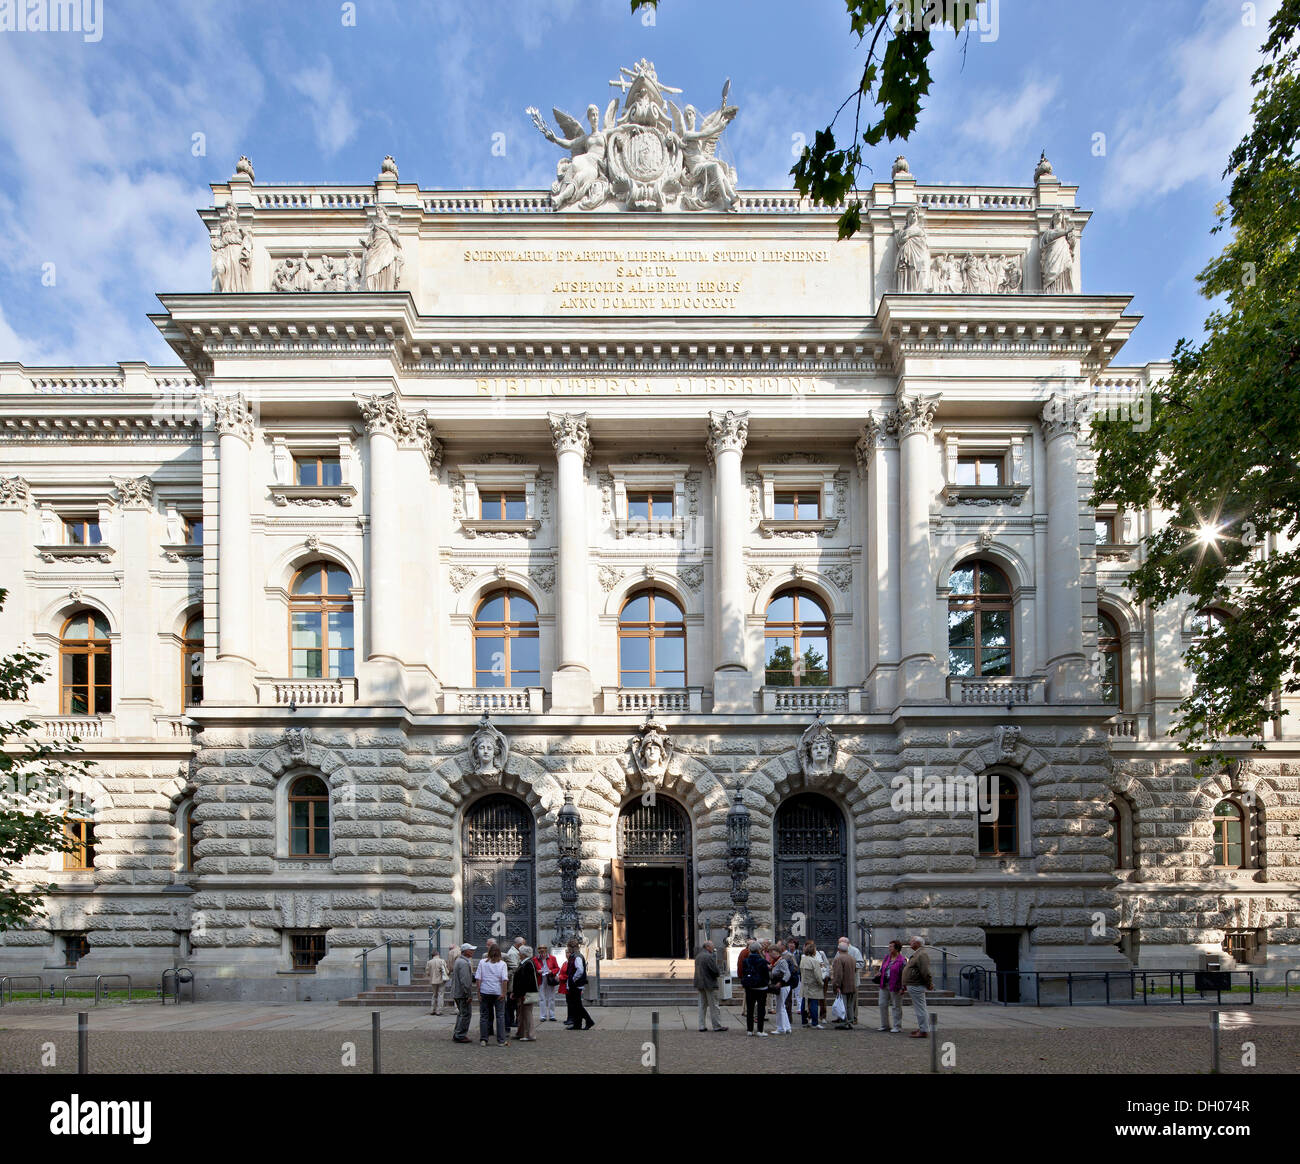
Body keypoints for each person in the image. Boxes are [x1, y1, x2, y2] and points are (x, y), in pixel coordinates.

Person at [475, 943, 509, 1046]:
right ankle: (501, 1040)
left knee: (484, 1016)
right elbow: (504, 980)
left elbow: (478, 979)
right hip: (497, 992)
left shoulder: (482, 962)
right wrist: (504, 992)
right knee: (500, 1016)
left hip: (485, 991)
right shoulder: (502, 964)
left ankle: (484, 1039)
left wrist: (478, 992)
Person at [902, 936, 933, 1038]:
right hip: (913, 984)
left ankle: (924, 1030)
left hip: (917, 984)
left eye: (912, 941)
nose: (910, 942)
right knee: (919, 1008)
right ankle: (922, 1027)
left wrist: (929, 983)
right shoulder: (918, 953)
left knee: (920, 1008)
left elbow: (925, 971)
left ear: (917, 943)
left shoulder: (921, 954)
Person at [694, 939, 726, 1032]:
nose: (713, 948)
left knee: (702, 1006)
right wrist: (718, 973)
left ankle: (701, 1025)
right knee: (714, 1006)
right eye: (712, 946)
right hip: (709, 984)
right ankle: (717, 1026)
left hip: (700, 983)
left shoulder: (698, 956)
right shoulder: (708, 956)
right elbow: (715, 971)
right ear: (707, 947)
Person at [740, 939, 770, 1037]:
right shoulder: (762, 961)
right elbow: (766, 974)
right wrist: (766, 983)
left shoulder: (746, 961)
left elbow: (744, 972)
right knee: (761, 1009)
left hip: (750, 987)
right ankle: (760, 1030)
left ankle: (749, 1029)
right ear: (758, 950)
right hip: (761, 987)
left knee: (750, 1009)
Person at [876, 940, 907, 1034]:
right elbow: (882, 969)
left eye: (891, 947)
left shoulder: (902, 960)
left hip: (896, 985)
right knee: (882, 1004)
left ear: (897, 948)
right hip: (884, 984)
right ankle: (884, 1025)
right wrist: (879, 973)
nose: (889, 948)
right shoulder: (886, 958)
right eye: (889, 946)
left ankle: (897, 1026)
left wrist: (903, 987)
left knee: (896, 1006)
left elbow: (904, 974)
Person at [563, 939, 595, 1031]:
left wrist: (573, 979)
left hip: (576, 985)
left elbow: (580, 970)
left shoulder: (577, 957)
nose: (568, 950)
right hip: (574, 984)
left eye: (569, 947)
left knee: (577, 1005)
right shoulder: (575, 956)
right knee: (575, 1005)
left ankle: (589, 1021)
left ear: (572, 947)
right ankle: (577, 1024)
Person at [448, 943, 475, 1044]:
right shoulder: (464, 963)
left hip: (457, 992)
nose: (473, 951)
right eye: (471, 950)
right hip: (462, 993)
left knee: (461, 1014)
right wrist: (468, 994)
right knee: (466, 1014)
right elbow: (465, 981)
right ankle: (460, 1035)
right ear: (465, 951)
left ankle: (457, 1033)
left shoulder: (459, 961)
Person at [512, 945, 539, 1042]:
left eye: (519, 952)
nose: (518, 954)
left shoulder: (528, 964)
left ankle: (530, 1034)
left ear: (523, 954)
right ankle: (521, 1032)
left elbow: (527, 981)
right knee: (521, 1014)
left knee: (527, 1014)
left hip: (526, 993)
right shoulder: (525, 963)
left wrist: (522, 994)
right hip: (522, 993)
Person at [830, 938, 857, 1030]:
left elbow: (838, 974)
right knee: (850, 1005)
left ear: (838, 949)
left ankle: (844, 1022)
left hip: (844, 986)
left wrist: (837, 985)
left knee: (843, 1005)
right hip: (852, 985)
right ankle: (849, 1021)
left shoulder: (838, 959)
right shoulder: (852, 958)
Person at [799, 941, 825, 1029]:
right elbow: (818, 975)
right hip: (813, 985)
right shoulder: (814, 961)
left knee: (804, 1003)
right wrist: (821, 983)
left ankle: (804, 1021)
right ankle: (815, 1022)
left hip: (805, 984)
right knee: (814, 1004)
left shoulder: (803, 960)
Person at [769, 943, 793, 1034]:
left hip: (783, 986)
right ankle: (787, 1027)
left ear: (776, 951)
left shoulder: (781, 961)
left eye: (772, 952)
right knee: (781, 1007)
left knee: (780, 1007)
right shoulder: (776, 961)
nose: (770, 954)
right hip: (782, 986)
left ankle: (781, 1028)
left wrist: (781, 982)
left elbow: (787, 973)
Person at [534, 944, 560, 1022]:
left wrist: (551, 971)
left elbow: (557, 968)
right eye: (541, 953)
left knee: (551, 997)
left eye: (544, 953)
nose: (542, 955)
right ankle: (543, 1016)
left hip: (550, 978)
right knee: (542, 998)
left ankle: (552, 1015)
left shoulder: (552, 958)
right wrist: (537, 971)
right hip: (540, 979)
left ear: (546, 951)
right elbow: (533, 969)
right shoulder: (535, 959)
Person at [504, 936, 524, 1031]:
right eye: (523, 944)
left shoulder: (515, 952)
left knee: (514, 1003)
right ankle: (511, 1020)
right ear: (519, 945)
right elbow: (514, 967)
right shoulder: (512, 953)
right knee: (512, 1003)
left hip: (515, 981)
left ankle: (514, 1020)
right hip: (513, 982)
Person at [427, 948, 448, 1016]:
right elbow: (446, 971)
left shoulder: (429, 962)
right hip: (441, 980)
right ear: (438, 954)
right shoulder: (442, 961)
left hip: (433, 980)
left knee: (434, 995)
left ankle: (432, 1009)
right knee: (440, 994)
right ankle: (439, 1010)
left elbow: (427, 972)